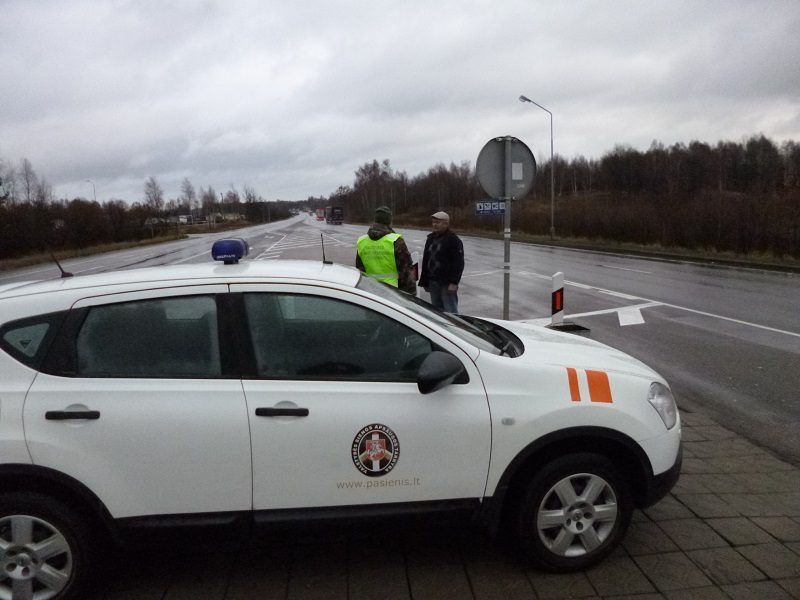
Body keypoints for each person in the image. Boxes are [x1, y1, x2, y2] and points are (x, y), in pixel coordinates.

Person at [356, 206, 417, 295]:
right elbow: (406, 271)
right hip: (392, 293)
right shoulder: (395, 241)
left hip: (370, 291)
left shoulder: (362, 241)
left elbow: (360, 270)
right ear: (389, 221)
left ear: (375, 220)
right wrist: (411, 293)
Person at [418, 211, 464, 313]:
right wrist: (424, 281)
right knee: (436, 312)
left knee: (450, 312)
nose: (434, 224)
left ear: (446, 224)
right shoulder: (430, 239)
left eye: (438, 222)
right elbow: (426, 260)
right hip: (433, 281)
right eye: (433, 222)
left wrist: (454, 282)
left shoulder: (453, 240)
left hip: (446, 283)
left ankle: (453, 329)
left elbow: (458, 263)